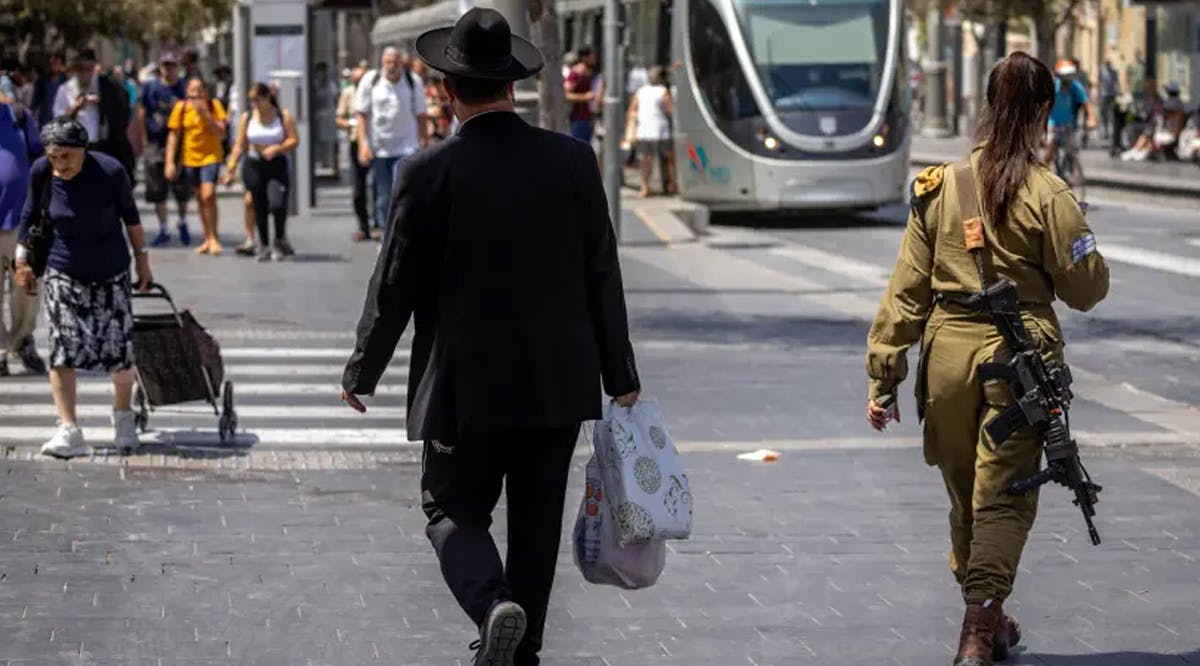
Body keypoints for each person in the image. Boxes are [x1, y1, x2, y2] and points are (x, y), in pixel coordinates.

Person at [340, 9, 640, 665]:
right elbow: (602, 272)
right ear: (513, 85)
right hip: (556, 384)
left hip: (463, 387)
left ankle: (489, 602)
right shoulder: (573, 161)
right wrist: (620, 375)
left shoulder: (425, 172)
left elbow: (394, 283)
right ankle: (522, 650)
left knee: (450, 507)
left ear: (448, 90)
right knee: (536, 525)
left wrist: (363, 369)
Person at [865, 52, 1109, 666]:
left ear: (988, 107)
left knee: (965, 490)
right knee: (1001, 495)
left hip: (946, 358)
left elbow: (907, 288)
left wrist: (884, 376)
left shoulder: (939, 186)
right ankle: (978, 626)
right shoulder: (1048, 193)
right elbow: (1085, 289)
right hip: (1018, 359)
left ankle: (989, 617)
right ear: (1043, 112)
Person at [13, 118, 153, 459]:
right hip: (63, 269)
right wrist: (22, 261)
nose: (60, 164)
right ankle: (69, 429)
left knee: (118, 351)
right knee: (62, 348)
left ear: (83, 151)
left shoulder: (109, 171)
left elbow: (131, 217)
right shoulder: (42, 171)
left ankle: (123, 419)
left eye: (66, 157)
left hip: (110, 270)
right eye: (54, 155)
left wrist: (143, 260)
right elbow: (29, 215)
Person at [222, 82, 300, 261]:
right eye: (251, 101)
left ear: (267, 98)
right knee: (259, 205)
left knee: (277, 203)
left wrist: (277, 148)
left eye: (257, 100)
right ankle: (264, 244)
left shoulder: (282, 116)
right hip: (254, 164)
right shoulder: (247, 118)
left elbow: (294, 139)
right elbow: (240, 145)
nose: (254, 104)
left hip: (276, 164)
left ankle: (279, 238)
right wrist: (231, 168)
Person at [355, 46, 427, 234]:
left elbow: (421, 115)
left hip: (407, 146)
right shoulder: (370, 81)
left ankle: (403, 230)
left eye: (395, 62)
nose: (391, 66)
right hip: (379, 147)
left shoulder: (413, 82)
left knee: (402, 190)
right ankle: (385, 232)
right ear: (382, 62)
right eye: (388, 62)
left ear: (401, 63)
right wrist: (363, 144)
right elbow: (361, 114)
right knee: (384, 196)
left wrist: (424, 142)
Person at [0, 95, 46, 377]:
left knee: (26, 287)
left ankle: (23, 340)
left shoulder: (17, 114)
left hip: (22, 219)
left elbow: (41, 155)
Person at [52, 48, 135, 184]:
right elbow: (58, 122)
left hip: (103, 148)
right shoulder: (65, 90)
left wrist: (104, 102)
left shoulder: (109, 87)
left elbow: (122, 112)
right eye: (80, 68)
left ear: (94, 67)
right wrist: (76, 108)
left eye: (88, 68)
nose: (84, 73)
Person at [166, 76, 228, 255]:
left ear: (205, 92)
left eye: (199, 90)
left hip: (211, 156)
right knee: (200, 198)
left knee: (209, 195)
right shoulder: (181, 108)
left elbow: (221, 133)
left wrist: (206, 116)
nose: (196, 94)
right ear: (187, 92)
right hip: (190, 158)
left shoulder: (214, 105)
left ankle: (215, 236)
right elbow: (174, 136)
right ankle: (207, 237)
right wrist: (170, 162)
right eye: (192, 91)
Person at [138, 52, 193, 247]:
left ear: (177, 67)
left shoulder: (184, 88)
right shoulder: (151, 87)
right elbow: (142, 112)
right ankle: (163, 228)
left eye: (171, 65)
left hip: (181, 143)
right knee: (156, 188)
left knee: (182, 187)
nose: (168, 69)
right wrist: (144, 141)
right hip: (156, 142)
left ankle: (183, 221)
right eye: (165, 65)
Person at [625, 65, 676, 197]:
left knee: (646, 160)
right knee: (668, 158)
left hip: (644, 130)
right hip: (661, 130)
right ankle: (672, 184)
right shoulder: (663, 91)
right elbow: (671, 111)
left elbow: (631, 110)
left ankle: (645, 187)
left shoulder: (641, 91)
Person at [337, 66, 372, 240]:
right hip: (356, 143)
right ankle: (363, 225)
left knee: (378, 187)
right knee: (359, 189)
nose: (359, 83)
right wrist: (352, 124)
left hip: (377, 144)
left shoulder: (377, 90)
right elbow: (339, 119)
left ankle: (378, 225)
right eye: (356, 80)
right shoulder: (349, 93)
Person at [1044, 59, 1095, 177]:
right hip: (1053, 123)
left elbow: (1086, 103)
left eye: (1070, 75)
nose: (1068, 78)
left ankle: (1071, 175)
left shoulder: (1076, 87)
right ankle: (1043, 174)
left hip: (1068, 124)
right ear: (1059, 75)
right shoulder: (1053, 86)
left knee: (1072, 150)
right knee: (1051, 148)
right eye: (1066, 75)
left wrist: (1092, 119)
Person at [564, 46, 598, 143]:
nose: (595, 60)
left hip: (587, 118)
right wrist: (584, 97)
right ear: (584, 58)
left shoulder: (588, 73)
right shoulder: (577, 73)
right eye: (592, 57)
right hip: (577, 119)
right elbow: (566, 94)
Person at [31, 53, 67, 126]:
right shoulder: (42, 80)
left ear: (61, 64)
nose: (53, 66)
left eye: (56, 63)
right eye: (51, 64)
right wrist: (31, 111)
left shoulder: (66, 81)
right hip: (45, 119)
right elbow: (36, 99)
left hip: (61, 119)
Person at [1098, 60, 1118, 140]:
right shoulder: (1102, 72)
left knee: (1112, 113)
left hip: (1112, 94)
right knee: (1103, 113)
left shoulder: (1114, 72)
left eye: (1109, 64)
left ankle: (1110, 130)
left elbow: (1116, 83)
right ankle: (1105, 130)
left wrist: (1117, 92)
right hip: (1104, 94)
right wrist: (1098, 95)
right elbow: (1099, 83)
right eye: (1106, 64)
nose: (1108, 66)